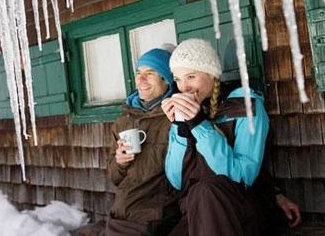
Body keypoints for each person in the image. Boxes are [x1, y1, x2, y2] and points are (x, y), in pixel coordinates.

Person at [161, 38, 301, 236]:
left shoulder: (246, 107)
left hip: (242, 209)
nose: (184, 87)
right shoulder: (188, 111)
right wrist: (180, 127)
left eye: (191, 76)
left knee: (205, 190)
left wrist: (200, 126)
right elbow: (177, 181)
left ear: (212, 74)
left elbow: (243, 176)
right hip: (196, 212)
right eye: (178, 79)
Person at [72, 48, 180, 236]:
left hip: (155, 215)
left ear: (166, 79)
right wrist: (119, 162)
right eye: (138, 73)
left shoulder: (174, 116)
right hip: (121, 212)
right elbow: (114, 177)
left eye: (150, 73)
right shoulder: (125, 119)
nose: (141, 79)